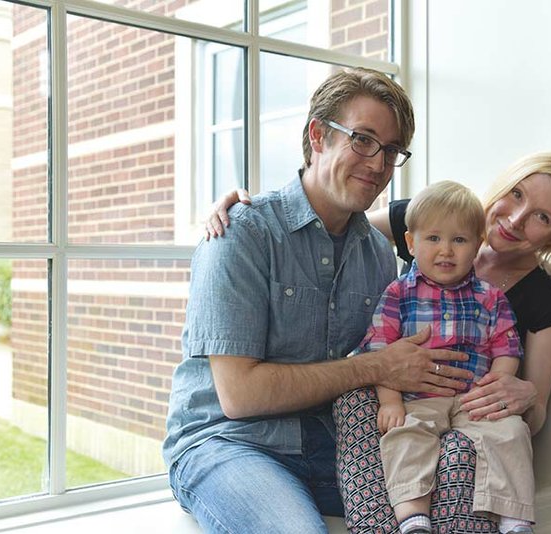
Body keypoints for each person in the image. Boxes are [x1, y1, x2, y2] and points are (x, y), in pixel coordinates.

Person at [206, 150, 551, 532]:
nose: (515, 218)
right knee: (358, 402)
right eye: (517, 194)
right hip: (403, 404)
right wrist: (250, 211)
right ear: (414, 241)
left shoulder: (548, 299)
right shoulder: (432, 215)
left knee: (460, 453)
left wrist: (524, 394)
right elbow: (321, 225)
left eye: (541, 217)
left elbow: (537, 410)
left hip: (468, 417)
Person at [163, 67, 476, 534]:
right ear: (318, 136)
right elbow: (240, 396)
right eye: (364, 140)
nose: (377, 164)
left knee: (451, 501)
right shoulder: (241, 233)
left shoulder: (375, 253)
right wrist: (377, 367)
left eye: (391, 151)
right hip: (230, 442)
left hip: (331, 443)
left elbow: (458, 222)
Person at [355, 181, 534, 534]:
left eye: (459, 240)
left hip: (473, 399)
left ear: (477, 245)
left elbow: (506, 346)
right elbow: (380, 351)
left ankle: (513, 518)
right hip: (419, 398)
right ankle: (413, 517)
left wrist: (496, 386)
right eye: (433, 239)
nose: (446, 251)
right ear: (410, 243)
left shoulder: (490, 298)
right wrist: (390, 401)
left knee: (511, 432)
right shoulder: (399, 294)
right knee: (406, 436)